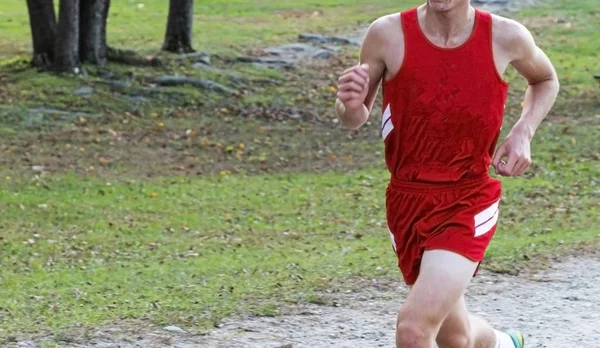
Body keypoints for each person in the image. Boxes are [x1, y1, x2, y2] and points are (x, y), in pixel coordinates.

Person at [334, 0, 559, 347]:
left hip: (468, 198)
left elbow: (545, 79)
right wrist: (348, 105)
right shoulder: (386, 34)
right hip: (407, 200)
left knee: (413, 330)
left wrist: (523, 132)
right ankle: (501, 342)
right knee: (456, 338)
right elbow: (355, 117)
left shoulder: (505, 36)